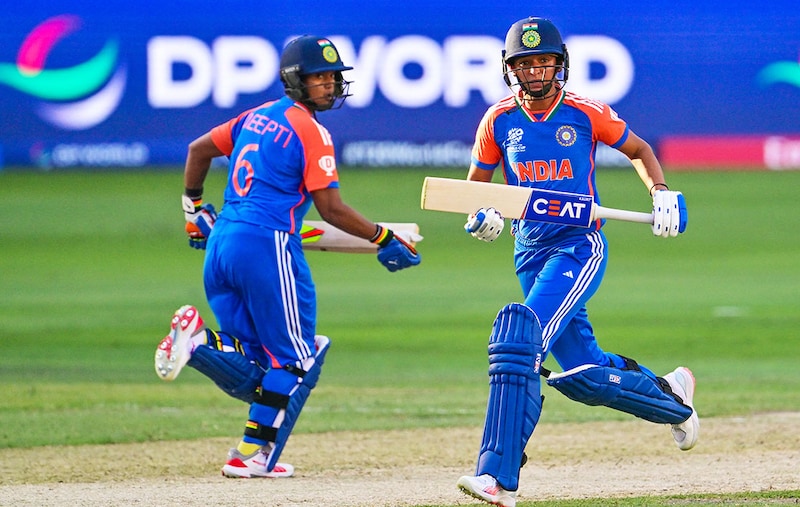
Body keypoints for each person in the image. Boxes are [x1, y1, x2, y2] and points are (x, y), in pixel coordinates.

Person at [153, 35, 420, 479]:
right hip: (266, 245)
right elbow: (330, 208)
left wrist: (193, 209)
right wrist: (384, 236)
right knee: (296, 360)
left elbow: (198, 150)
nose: (330, 85)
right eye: (320, 77)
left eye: (334, 77)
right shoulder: (312, 132)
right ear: (295, 79)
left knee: (258, 361)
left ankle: (215, 384)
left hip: (221, 243)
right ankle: (243, 438)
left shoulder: (255, 117)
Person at [456, 17, 697, 507]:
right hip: (529, 249)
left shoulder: (585, 112)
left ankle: (497, 477)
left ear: (560, 65)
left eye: (545, 61)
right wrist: (480, 214)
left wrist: (661, 191)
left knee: (518, 340)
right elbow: (475, 187)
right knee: (585, 375)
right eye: (526, 64)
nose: (537, 72)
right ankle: (672, 399)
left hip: (579, 244)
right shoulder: (498, 120)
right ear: (510, 70)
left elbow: (639, 149)